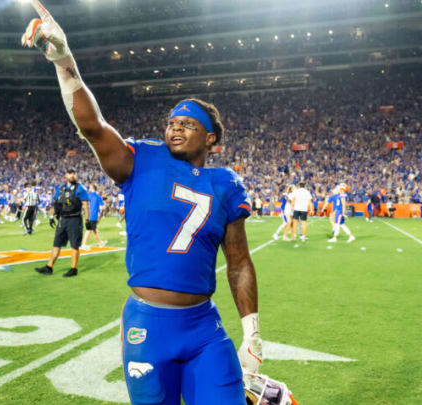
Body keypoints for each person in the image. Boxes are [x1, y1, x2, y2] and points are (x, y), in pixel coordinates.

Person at [22, 10, 261, 403]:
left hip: (205, 327)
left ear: (211, 138)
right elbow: (92, 126)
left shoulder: (226, 183)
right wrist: (64, 61)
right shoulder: (141, 159)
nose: (175, 127)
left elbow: (238, 261)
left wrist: (251, 331)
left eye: (188, 123)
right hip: (147, 324)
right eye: (171, 122)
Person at [35, 168, 89, 277]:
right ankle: (49, 267)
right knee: (56, 244)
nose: (72, 175)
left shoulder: (80, 188)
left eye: (74, 173)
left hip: (75, 219)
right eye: (70, 174)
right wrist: (51, 216)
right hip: (62, 219)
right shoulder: (60, 188)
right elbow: (55, 203)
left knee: (74, 245)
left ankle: (74, 269)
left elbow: (85, 204)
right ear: (66, 176)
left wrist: (87, 219)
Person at [80, 184, 107, 250]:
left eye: (90, 187)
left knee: (94, 230)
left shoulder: (88, 196)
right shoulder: (98, 197)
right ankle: (83, 244)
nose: (89, 188)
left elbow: (84, 202)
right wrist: (105, 205)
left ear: (93, 188)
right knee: (89, 230)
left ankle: (100, 243)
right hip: (94, 215)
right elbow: (101, 207)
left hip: (88, 215)